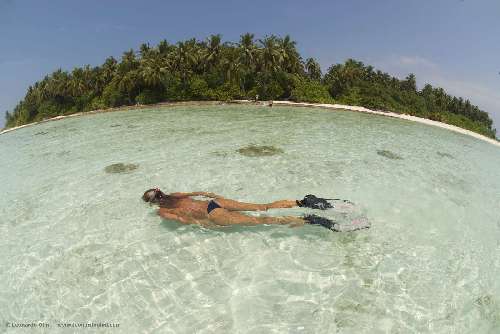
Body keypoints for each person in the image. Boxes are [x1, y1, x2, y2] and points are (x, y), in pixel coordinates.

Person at [142, 188, 342, 230]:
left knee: (261, 220)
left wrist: (204, 224)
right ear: (161, 192)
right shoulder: (176, 194)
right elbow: (202, 193)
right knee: (262, 207)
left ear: (153, 203)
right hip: (215, 204)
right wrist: (214, 196)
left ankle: (310, 220)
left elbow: (185, 221)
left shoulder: (161, 211)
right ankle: (303, 202)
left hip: (210, 214)